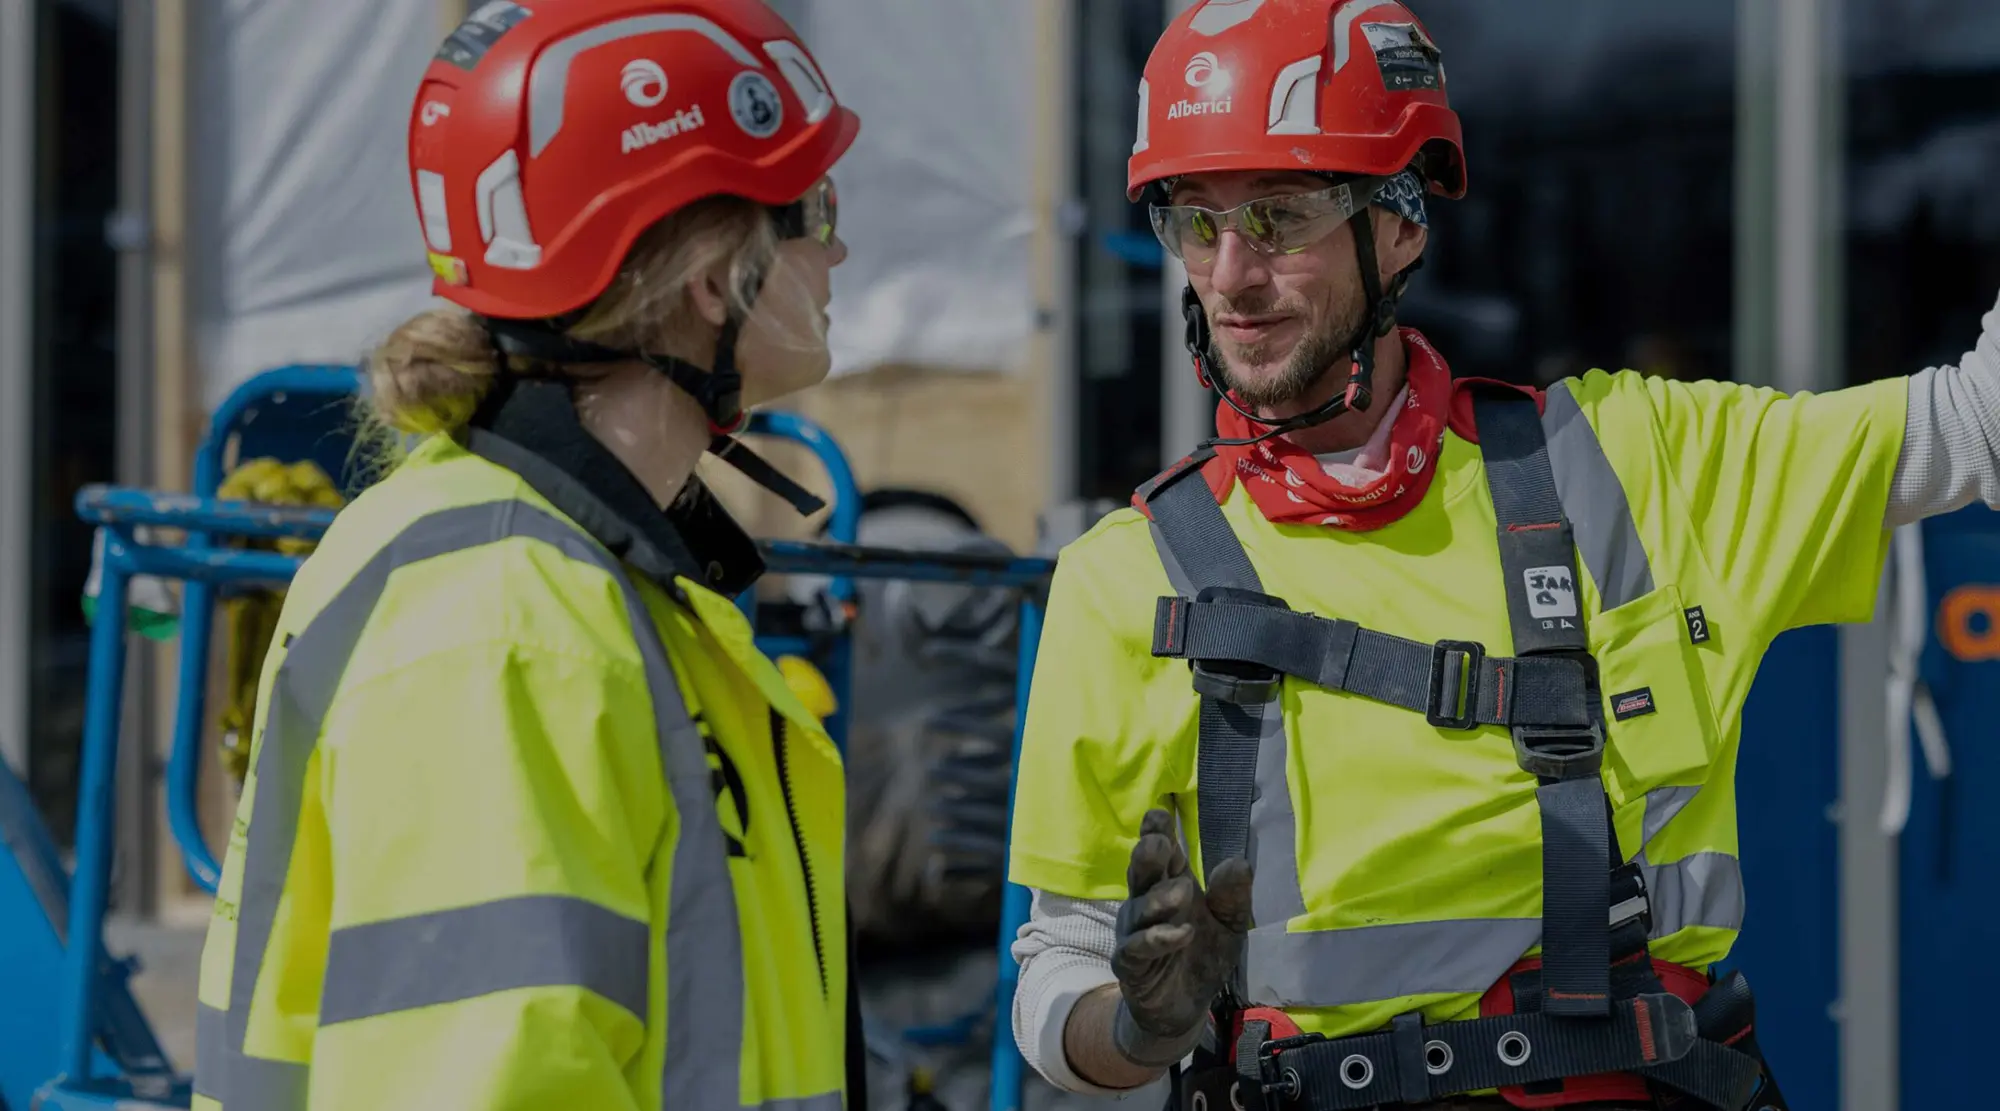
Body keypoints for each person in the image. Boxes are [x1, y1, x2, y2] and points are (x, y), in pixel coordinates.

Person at [1007, 3, 2000, 1110]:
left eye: (1279, 218)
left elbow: (1972, 423)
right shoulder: (1127, 578)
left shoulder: (1631, 465)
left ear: (1397, 224)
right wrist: (1140, 1024)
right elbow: (1055, 974)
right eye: (1196, 223)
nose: (1231, 276)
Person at [191, 2, 861, 1108]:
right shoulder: (508, 629)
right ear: (711, 276)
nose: (836, 247)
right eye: (813, 208)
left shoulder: (559, 575)